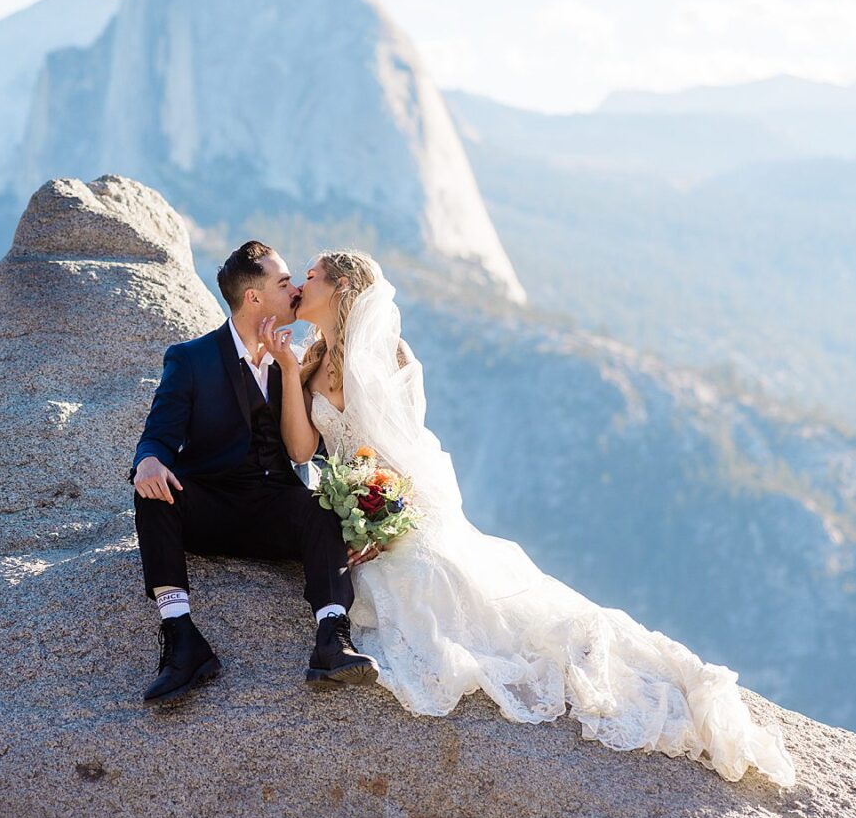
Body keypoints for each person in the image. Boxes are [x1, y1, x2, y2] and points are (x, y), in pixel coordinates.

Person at [251, 249, 799, 789]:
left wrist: (382, 521)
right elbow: (301, 450)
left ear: (342, 287)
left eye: (312, 275)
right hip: (354, 506)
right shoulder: (309, 359)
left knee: (440, 593)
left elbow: (406, 456)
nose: (300, 284)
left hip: (397, 504)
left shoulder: (391, 354)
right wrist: (289, 371)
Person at [129, 240, 379, 707]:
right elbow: (159, 433)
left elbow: (308, 451)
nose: (295, 290)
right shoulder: (192, 358)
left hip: (276, 510)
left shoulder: (295, 360)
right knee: (152, 495)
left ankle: (332, 639)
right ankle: (181, 639)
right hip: (214, 507)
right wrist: (148, 460)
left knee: (320, 507)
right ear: (254, 298)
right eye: (284, 283)